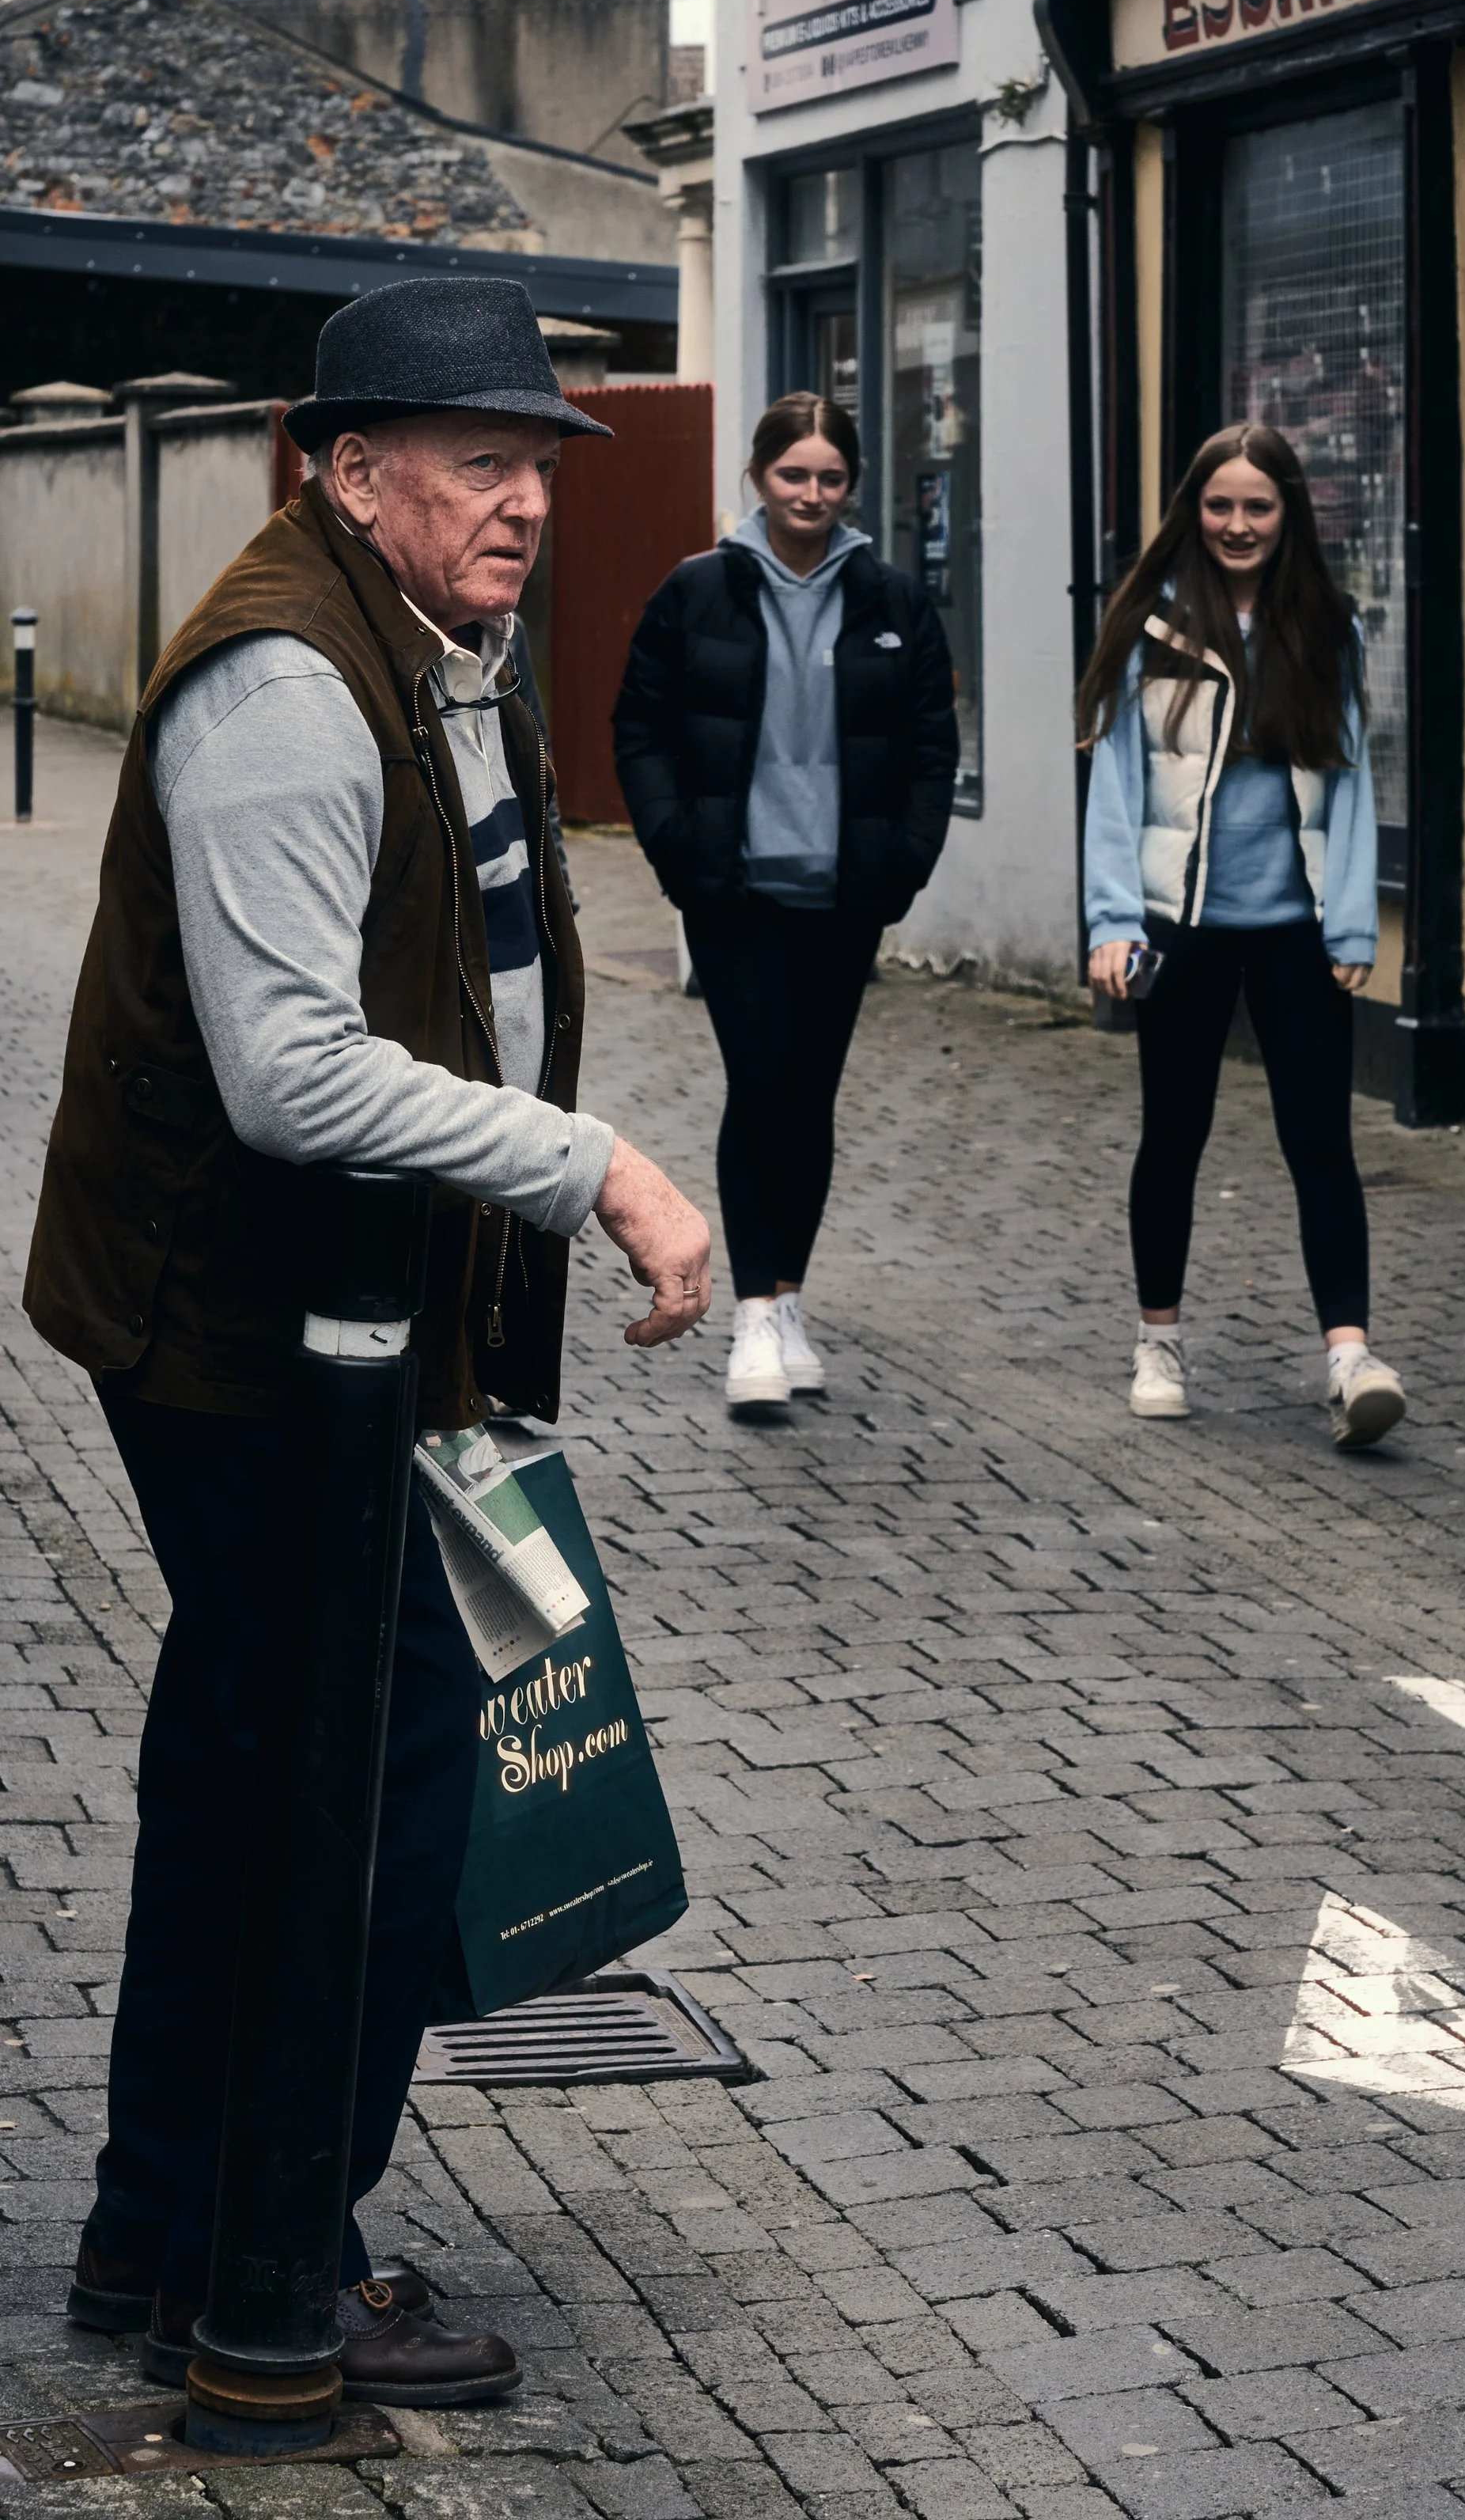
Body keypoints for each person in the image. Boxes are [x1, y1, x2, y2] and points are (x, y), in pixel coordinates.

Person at [23, 278, 712, 2402]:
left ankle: (172, 2244)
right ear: (349, 470)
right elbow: (292, 1072)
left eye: (540, 465)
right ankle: (276, 2268)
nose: (525, 502)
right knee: (387, 1771)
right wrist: (591, 1167)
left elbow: (471, 957)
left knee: (253, 1760)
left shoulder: (443, 652)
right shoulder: (288, 686)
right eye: (479, 461)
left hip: (361, 1327)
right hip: (238, 1331)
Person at [613, 392, 957, 1410]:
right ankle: (754, 1316)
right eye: (792, 474)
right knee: (761, 1082)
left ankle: (789, 1301)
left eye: (830, 478)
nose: (811, 494)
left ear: (851, 486)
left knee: (809, 1096)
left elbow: (934, 748)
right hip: (735, 892)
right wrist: (679, 848)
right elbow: (641, 728)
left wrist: (902, 864)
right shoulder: (697, 592)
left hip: (845, 896)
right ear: (759, 478)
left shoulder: (893, 602)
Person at [1077, 420, 1406, 1449]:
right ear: (1194, 511)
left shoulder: (1328, 631)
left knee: (1321, 1141)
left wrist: (1352, 922)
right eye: (1219, 505)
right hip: (1182, 928)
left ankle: (1349, 1357)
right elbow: (1115, 792)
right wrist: (1111, 922)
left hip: (1295, 931)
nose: (1237, 524)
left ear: (1289, 514)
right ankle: (1159, 1338)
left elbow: (1351, 792)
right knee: (1174, 1137)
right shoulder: (1154, 631)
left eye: (1258, 506)